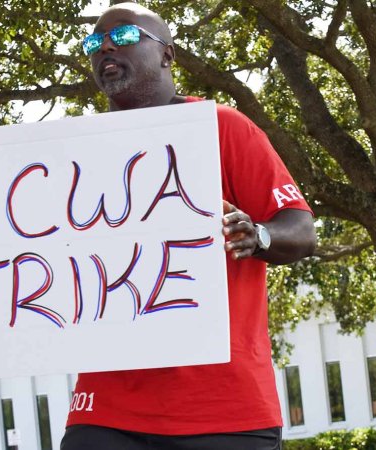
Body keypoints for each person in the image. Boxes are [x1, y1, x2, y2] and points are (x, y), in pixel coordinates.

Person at [60, 3, 316, 449]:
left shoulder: (224, 128)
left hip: (223, 409)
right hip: (107, 411)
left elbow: (301, 230)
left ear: (167, 55)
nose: (104, 48)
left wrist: (259, 236)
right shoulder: (72, 151)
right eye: (93, 43)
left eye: (121, 37)